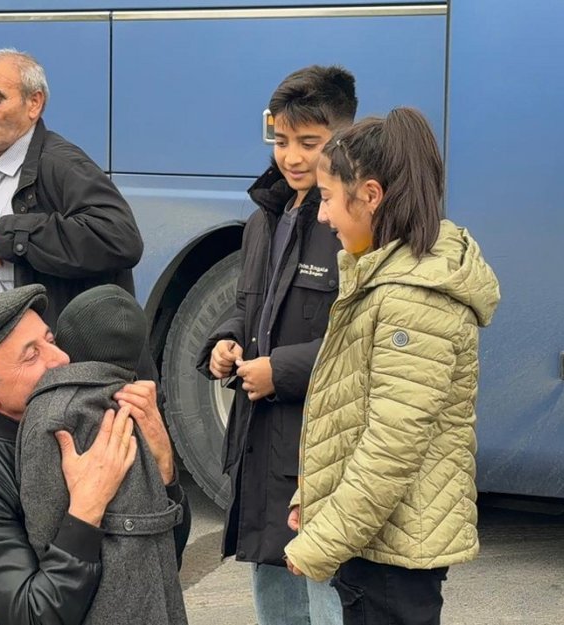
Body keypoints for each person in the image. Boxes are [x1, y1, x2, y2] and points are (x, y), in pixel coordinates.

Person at [283, 108, 500, 625]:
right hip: (380, 539)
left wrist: (322, 540)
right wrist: (313, 496)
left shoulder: (411, 299)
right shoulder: (387, 280)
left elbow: (391, 446)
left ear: (371, 196)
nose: (323, 216)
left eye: (328, 198)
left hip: (391, 554)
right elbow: (352, 413)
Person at [0, 285, 186, 625]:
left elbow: (159, 557)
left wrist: (164, 471)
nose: (60, 360)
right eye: (31, 356)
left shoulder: (71, 419)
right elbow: (35, 614)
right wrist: (86, 508)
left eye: (51, 340)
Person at [196, 65, 356, 625]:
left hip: (321, 445)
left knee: (326, 593)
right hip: (262, 442)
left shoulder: (349, 223)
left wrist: (278, 370)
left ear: (344, 135)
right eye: (281, 141)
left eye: (309, 143)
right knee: (274, 589)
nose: (291, 157)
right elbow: (250, 309)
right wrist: (225, 343)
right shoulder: (265, 217)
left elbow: (360, 342)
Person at [17, 285, 189, 625]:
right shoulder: (139, 406)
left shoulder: (53, 416)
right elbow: (171, 547)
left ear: (65, 342)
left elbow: (44, 548)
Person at [0, 49, 144, 335]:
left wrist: (14, 235)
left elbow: (120, 238)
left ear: (34, 103)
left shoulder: (61, 164)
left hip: (57, 357)